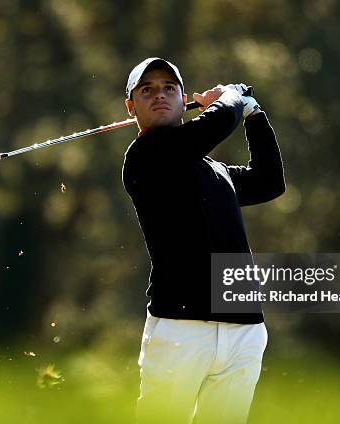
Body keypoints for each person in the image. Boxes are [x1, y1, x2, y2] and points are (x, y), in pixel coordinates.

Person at [122, 57, 285, 424]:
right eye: (147, 90)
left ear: (184, 101)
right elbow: (214, 125)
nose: (159, 95)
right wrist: (230, 97)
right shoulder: (144, 157)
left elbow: (270, 181)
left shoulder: (214, 170)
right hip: (180, 328)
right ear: (131, 107)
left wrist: (254, 113)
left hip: (243, 329)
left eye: (169, 88)